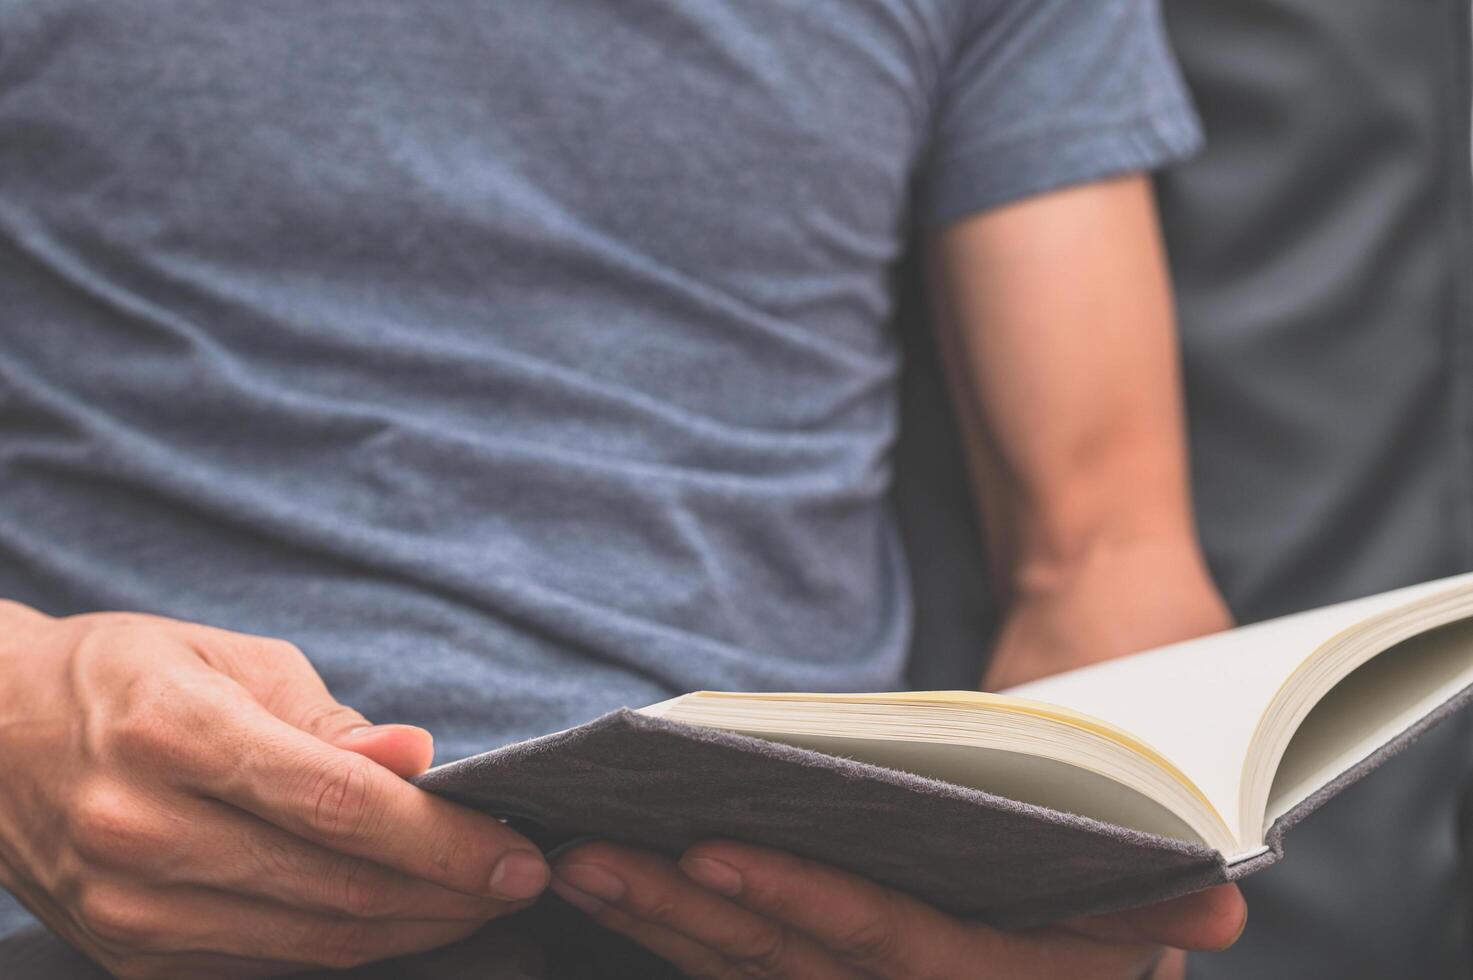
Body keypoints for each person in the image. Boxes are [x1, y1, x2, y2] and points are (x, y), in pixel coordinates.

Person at [0, 1, 1242, 976]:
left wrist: (1089, 903)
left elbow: (1107, 553)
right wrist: (20, 722)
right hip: (119, 909)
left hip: (775, 904)